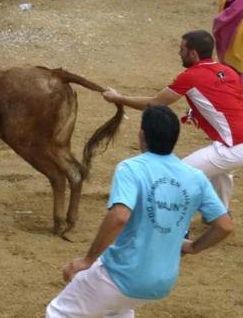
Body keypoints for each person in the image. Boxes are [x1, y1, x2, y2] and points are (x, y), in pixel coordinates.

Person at [46, 105, 232, 317]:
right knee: (117, 311)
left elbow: (119, 217)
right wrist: (194, 247)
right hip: (160, 283)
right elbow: (224, 225)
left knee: (59, 313)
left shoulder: (132, 168)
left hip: (121, 274)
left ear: (142, 135)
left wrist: (87, 260)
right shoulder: (195, 177)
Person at [103, 30, 243, 208]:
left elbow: (154, 104)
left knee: (177, 178)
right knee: (221, 172)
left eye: (182, 50)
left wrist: (118, 98)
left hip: (234, 147)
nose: (179, 53)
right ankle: (220, 213)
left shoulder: (190, 76)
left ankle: (181, 230)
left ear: (193, 53)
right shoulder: (228, 71)